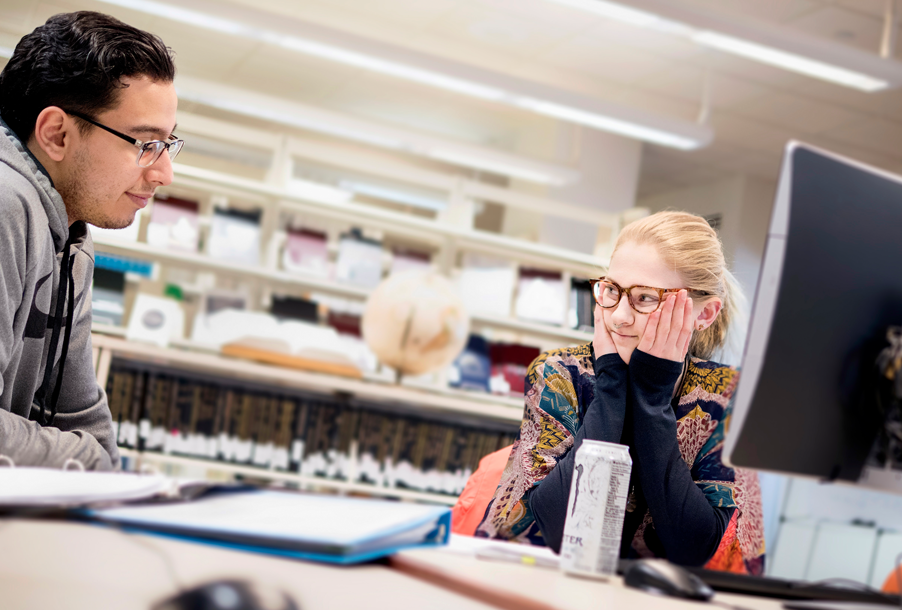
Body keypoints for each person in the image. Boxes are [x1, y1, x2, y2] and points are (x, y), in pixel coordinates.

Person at [475, 211, 766, 575]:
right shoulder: (560, 374)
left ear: (704, 314)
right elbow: (557, 528)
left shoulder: (725, 396)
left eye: (645, 298)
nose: (619, 317)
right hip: (527, 580)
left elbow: (692, 549)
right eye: (612, 290)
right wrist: (612, 386)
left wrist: (651, 398)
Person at [0, 12, 180, 469]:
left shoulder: (73, 238)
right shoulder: (7, 203)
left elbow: (82, 416)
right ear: (57, 134)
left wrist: (106, 472)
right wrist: (85, 458)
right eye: (144, 144)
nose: (163, 173)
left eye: (167, 144)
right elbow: (91, 452)